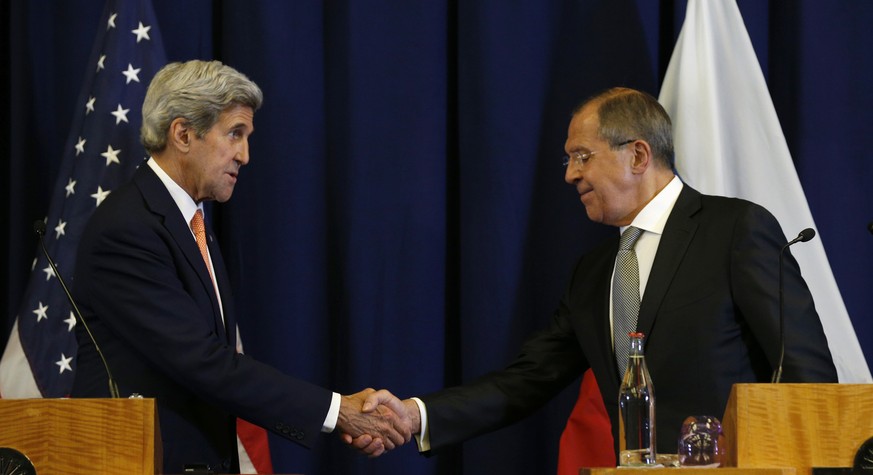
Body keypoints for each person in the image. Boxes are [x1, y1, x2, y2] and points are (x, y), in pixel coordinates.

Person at [348, 87, 838, 460]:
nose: (569, 174)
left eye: (583, 156)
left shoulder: (733, 229)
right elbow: (528, 381)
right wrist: (414, 416)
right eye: (569, 159)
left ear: (639, 156)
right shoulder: (594, 271)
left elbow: (805, 373)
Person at [71, 60, 410, 473]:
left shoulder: (190, 223)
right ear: (182, 134)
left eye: (247, 137)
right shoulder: (127, 228)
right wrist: (337, 410)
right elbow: (203, 361)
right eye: (235, 134)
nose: (245, 155)